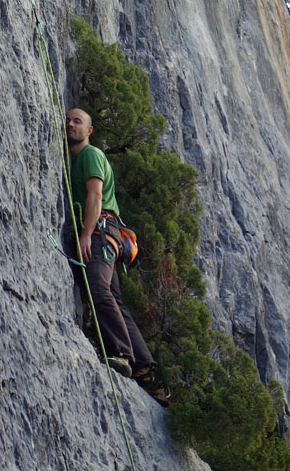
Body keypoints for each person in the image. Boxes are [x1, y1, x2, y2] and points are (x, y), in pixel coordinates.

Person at [66, 108, 167, 404]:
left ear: (90, 129)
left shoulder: (89, 155)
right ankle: (145, 368)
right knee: (114, 298)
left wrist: (85, 233)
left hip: (100, 231)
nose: (71, 124)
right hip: (109, 234)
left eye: (78, 121)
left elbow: (95, 196)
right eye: (68, 121)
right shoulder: (79, 159)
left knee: (98, 289)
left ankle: (122, 354)